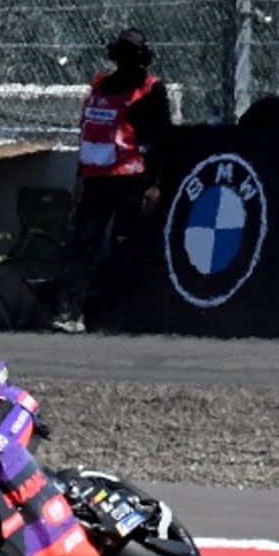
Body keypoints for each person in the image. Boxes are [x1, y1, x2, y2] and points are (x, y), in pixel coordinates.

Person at [52, 27, 171, 334]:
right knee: (83, 244)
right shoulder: (101, 85)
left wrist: (156, 183)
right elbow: (87, 133)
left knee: (126, 247)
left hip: (132, 180)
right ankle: (72, 310)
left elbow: (162, 139)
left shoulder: (151, 90)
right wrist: (79, 178)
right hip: (96, 179)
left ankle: (119, 314)